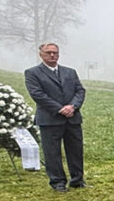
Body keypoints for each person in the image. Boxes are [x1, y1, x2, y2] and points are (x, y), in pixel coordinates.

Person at [24, 42, 87, 192]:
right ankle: (58, 182)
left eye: (55, 52)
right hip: (50, 119)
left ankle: (77, 180)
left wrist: (73, 106)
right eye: (48, 53)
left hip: (72, 118)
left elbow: (80, 91)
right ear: (41, 54)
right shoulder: (33, 73)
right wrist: (59, 109)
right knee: (52, 153)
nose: (52, 55)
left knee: (75, 150)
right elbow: (38, 95)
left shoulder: (70, 72)